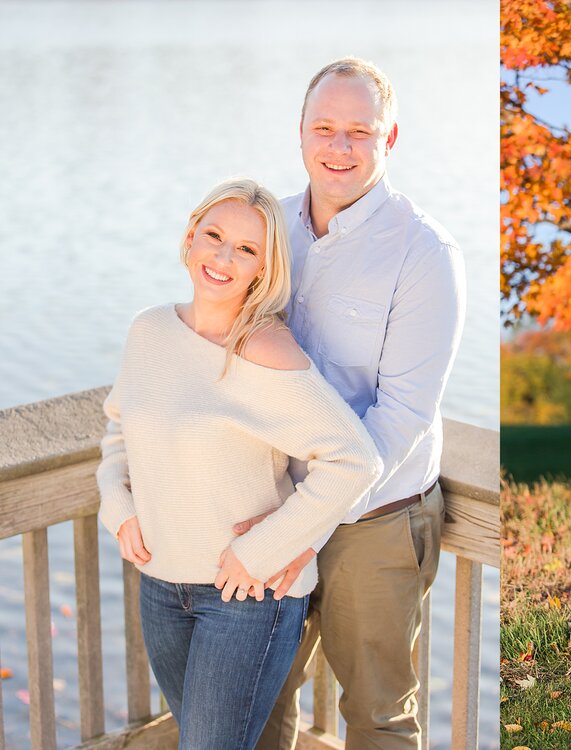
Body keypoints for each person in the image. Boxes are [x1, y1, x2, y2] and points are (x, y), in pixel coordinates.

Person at [96, 179, 383, 748]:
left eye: (247, 249)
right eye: (215, 236)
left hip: (246, 600)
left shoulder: (267, 352)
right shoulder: (149, 329)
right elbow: (119, 429)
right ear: (189, 237)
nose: (224, 258)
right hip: (160, 585)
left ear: (264, 267)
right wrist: (119, 503)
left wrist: (263, 549)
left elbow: (355, 460)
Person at [232, 58, 465, 750]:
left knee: (377, 720)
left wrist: (303, 521)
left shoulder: (425, 253)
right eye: (324, 128)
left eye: (359, 132)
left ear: (389, 139)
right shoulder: (265, 226)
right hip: (268, 506)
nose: (339, 147)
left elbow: (401, 416)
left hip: (376, 522)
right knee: (255, 703)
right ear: (300, 132)